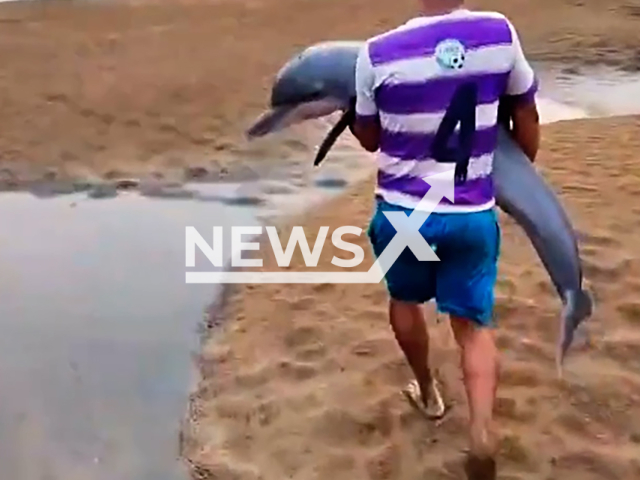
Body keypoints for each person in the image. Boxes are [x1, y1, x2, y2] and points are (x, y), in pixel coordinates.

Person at [351, 1, 540, 478]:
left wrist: (352, 111)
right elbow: (525, 115)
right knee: (473, 326)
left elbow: (370, 138)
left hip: (403, 214)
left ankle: (429, 394)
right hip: (470, 215)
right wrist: (514, 183)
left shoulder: (376, 53)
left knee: (404, 299)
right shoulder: (498, 32)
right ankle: (479, 436)